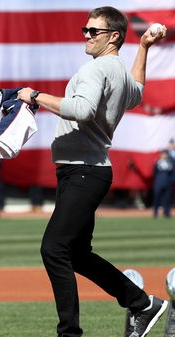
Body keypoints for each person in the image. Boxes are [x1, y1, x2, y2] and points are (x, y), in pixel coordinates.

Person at [17, 7, 168, 337]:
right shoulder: (117, 70)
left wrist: (36, 95)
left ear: (113, 36)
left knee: (54, 249)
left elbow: (82, 110)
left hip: (83, 172)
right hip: (87, 171)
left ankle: (69, 333)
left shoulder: (96, 69)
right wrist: (143, 47)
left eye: (93, 31)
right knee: (77, 255)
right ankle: (142, 303)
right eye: (85, 29)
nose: (85, 35)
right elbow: (137, 91)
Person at [153, 150, 173, 218]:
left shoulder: (170, 163)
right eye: (163, 154)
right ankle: (155, 213)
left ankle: (166, 213)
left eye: (165, 154)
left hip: (167, 183)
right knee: (157, 198)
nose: (164, 156)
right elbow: (154, 173)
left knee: (166, 199)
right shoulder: (157, 162)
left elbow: (172, 173)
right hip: (158, 183)